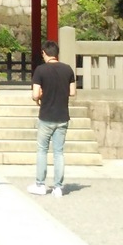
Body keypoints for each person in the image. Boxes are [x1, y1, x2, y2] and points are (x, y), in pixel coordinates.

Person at [28, 40, 76, 197]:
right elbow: (72, 92)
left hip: (46, 116)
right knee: (59, 152)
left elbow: (35, 94)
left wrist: (40, 95)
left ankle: (40, 184)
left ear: (44, 53)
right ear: (57, 53)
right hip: (62, 116)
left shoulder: (40, 70)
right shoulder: (68, 69)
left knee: (42, 150)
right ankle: (58, 187)